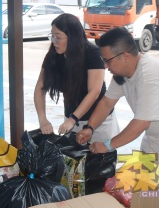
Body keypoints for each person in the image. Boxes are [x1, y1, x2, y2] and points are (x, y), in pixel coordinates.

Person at [76, 27, 159, 168]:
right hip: (156, 140)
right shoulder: (122, 73)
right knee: (147, 186)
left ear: (125, 56)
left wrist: (107, 145)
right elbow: (107, 102)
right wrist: (90, 128)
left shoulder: (149, 77)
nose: (105, 66)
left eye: (107, 60)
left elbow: (141, 123)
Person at [34, 13, 119, 143]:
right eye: (52, 36)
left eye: (58, 37)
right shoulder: (53, 55)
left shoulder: (92, 53)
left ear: (73, 37)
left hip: (98, 122)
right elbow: (40, 88)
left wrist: (73, 119)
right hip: (71, 120)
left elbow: (94, 91)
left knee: (99, 160)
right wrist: (42, 119)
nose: (54, 41)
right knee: (73, 161)